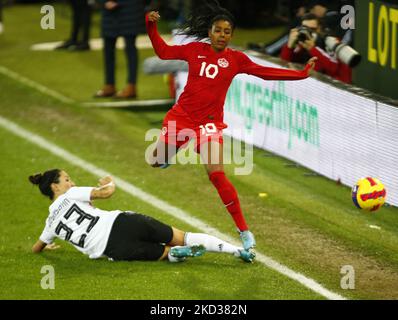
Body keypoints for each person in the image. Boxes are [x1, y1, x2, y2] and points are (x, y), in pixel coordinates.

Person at [145, 1, 317, 251]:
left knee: (216, 174)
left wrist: (301, 74)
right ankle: (169, 155)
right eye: (218, 30)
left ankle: (244, 231)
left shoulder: (236, 60)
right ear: (210, 32)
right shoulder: (194, 50)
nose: (222, 35)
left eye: (227, 32)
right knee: (154, 160)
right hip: (181, 118)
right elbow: (163, 52)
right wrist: (151, 26)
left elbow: (264, 72)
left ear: (231, 35)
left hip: (209, 124)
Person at [30, 169, 255, 263]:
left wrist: (47, 245)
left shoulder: (50, 224)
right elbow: (106, 193)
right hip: (124, 223)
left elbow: (36, 248)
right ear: (55, 186)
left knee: (165, 254)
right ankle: (237, 251)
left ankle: (176, 255)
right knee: (184, 236)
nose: (72, 182)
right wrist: (109, 181)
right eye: (67, 179)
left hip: (116, 250)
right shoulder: (71, 194)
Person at [94, 0, 146, 99]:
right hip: (109, 11)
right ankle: (109, 85)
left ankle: (131, 86)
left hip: (130, 7)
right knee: (108, 48)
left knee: (130, 47)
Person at [280, 13, 352, 83]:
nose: (308, 32)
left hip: (338, 87)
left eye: (312, 29)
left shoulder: (331, 42)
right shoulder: (303, 42)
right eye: (305, 28)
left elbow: (333, 68)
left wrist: (313, 49)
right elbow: (284, 65)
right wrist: (289, 46)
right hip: (314, 84)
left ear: (320, 29)